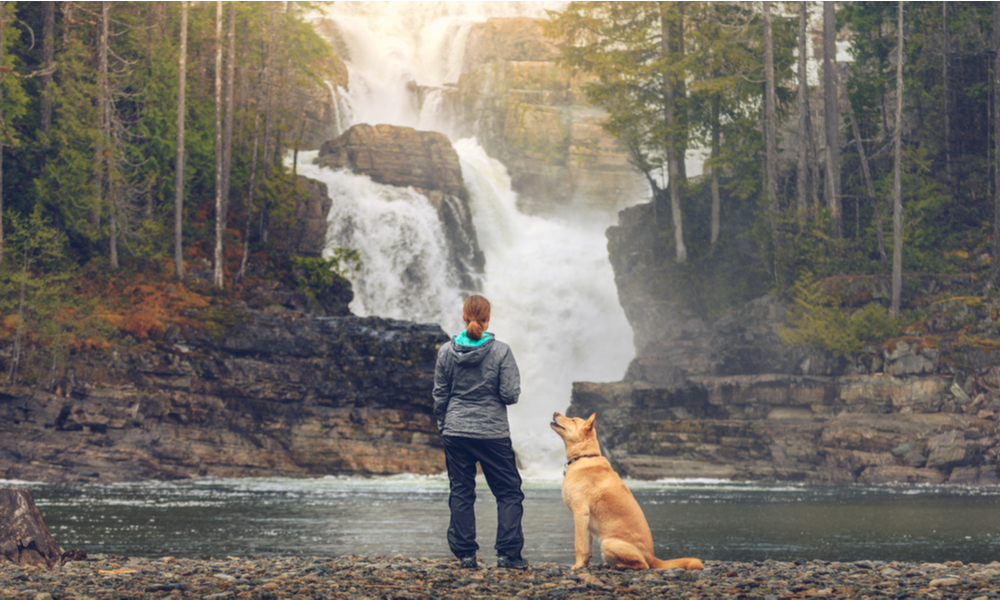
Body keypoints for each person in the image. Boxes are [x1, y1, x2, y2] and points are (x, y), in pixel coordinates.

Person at [432, 294, 528, 570]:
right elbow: (510, 395)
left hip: (456, 430)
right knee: (509, 492)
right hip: (492, 433)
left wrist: (444, 425)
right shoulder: (501, 351)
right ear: (487, 320)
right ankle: (509, 555)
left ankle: (465, 556)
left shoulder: (445, 352)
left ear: (464, 318)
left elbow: (440, 395)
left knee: (461, 491)